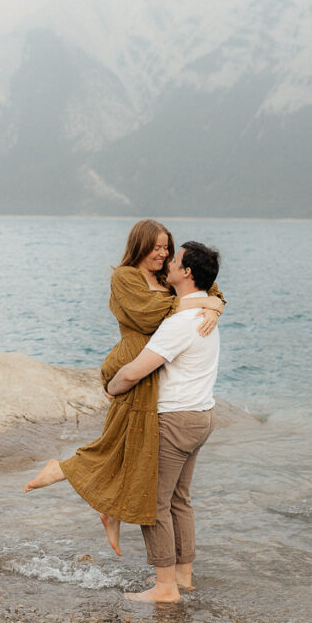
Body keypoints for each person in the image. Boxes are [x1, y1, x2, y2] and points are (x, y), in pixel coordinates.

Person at [23, 220, 224, 558]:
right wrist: (208, 306)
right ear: (140, 245)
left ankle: (110, 512)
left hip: (156, 366)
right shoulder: (125, 278)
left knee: (131, 449)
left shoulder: (167, 277)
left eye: (167, 248)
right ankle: (62, 470)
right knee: (116, 445)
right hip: (134, 363)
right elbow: (151, 315)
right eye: (156, 247)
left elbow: (207, 288)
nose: (163, 254)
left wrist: (216, 304)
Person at [105, 240, 221, 603]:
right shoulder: (205, 317)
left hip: (174, 422)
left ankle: (165, 588)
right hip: (203, 416)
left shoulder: (183, 322)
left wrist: (111, 385)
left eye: (175, 259)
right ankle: (184, 577)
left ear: (186, 272)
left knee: (153, 504)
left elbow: (136, 371)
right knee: (179, 500)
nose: (167, 262)